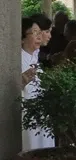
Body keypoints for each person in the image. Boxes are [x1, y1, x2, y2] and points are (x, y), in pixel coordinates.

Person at [21, 18, 54, 152]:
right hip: (27, 118)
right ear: (22, 38)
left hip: (41, 117)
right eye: (35, 32)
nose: (39, 36)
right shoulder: (17, 60)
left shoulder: (35, 58)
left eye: (40, 32)